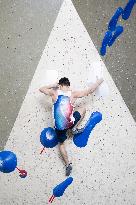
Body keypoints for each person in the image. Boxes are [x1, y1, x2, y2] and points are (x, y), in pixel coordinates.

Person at [39, 77, 103, 176]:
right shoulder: (73, 94)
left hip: (59, 128)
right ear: (68, 86)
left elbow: (41, 89)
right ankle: (73, 128)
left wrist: (53, 85)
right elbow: (90, 90)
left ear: (59, 86)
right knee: (82, 109)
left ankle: (68, 164)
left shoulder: (54, 93)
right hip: (70, 123)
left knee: (61, 144)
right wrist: (99, 81)